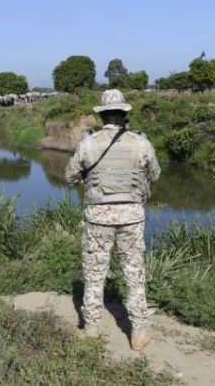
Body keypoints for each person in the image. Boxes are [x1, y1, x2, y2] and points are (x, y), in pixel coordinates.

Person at [64, 89, 160, 352]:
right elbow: (155, 174)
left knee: (95, 274)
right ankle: (139, 332)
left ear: (102, 115)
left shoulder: (88, 143)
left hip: (98, 217)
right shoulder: (141, 143)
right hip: (131, 217)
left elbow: (70, 176)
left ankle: (92, 328)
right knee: (133, 272)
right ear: (124, 114)